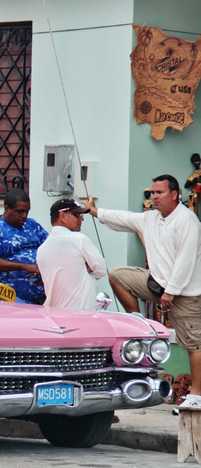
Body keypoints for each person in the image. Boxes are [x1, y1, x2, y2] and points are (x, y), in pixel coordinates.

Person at [83, 174, 201, 406]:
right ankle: (137, 321)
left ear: (175, 195)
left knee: (194, 344)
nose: (154, 197)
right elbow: (125, 218)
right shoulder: (151, 218)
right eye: (152, 193)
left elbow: (185, 261)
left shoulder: (187, 220)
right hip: (157, 284)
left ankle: (197, 395)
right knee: (118, 275)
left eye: (160, 193)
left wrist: (171, 292)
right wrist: (95, 211)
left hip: (184, 293)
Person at [35, 198, 107, 309]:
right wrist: (85, 271)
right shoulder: (79, 240)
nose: (82, 219)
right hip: (81, 316)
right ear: (62, 216)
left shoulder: (41, 250)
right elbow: (101, 270)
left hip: (54, 317)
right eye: (77, 215)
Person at [0, 190, 48, 304]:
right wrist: (24, 266)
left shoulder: (32, 225)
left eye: (27, 211)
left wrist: (46, 269)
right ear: (7, 209)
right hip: (10, 301)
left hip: (40, 298)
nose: (24, 216)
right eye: (19, 212)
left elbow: (50, 248)